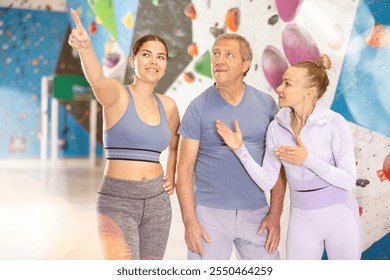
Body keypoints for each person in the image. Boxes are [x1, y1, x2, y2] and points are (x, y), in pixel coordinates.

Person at [216, 54, 363, 260]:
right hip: (302, 220)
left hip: (340, 217)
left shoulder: (333, 123)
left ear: (309, 93)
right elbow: (267, 180)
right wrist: (241, 150)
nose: (279, 89)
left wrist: (308, 160)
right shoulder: (277, 127)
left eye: (287, 84)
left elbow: (348, 180)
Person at [68, 9, 180, 259]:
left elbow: (175, 142)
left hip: (157, 202)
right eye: (147, 55)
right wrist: (86, 49)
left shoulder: (169, 105)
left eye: (161, 57)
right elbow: (97, 81)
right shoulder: (117, 95)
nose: (154, 61)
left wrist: (170, 171)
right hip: (117, 200)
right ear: (133, 60)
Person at [176, 33, 287, 260]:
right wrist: (190, 223)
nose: (219, 60)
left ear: (245, 65)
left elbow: (278, 164)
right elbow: (184, 170)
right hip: (209, 216)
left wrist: (275, 214)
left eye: (228, 54)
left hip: (257, 214)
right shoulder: (197, 107)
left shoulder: (266, 105)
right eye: (216, 54)